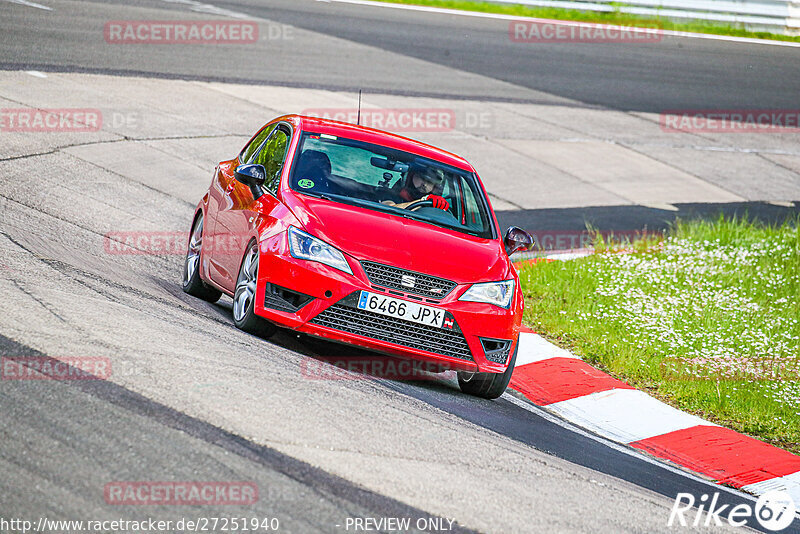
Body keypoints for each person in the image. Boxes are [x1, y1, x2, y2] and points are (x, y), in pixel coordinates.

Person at [383, 167, 450, 211]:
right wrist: (423, 201)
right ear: (410, 177)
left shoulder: (435, 205)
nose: (425, 184)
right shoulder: (391, 194)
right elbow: (389, 210)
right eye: (422, 178)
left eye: (430, 182)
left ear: (434, 187)